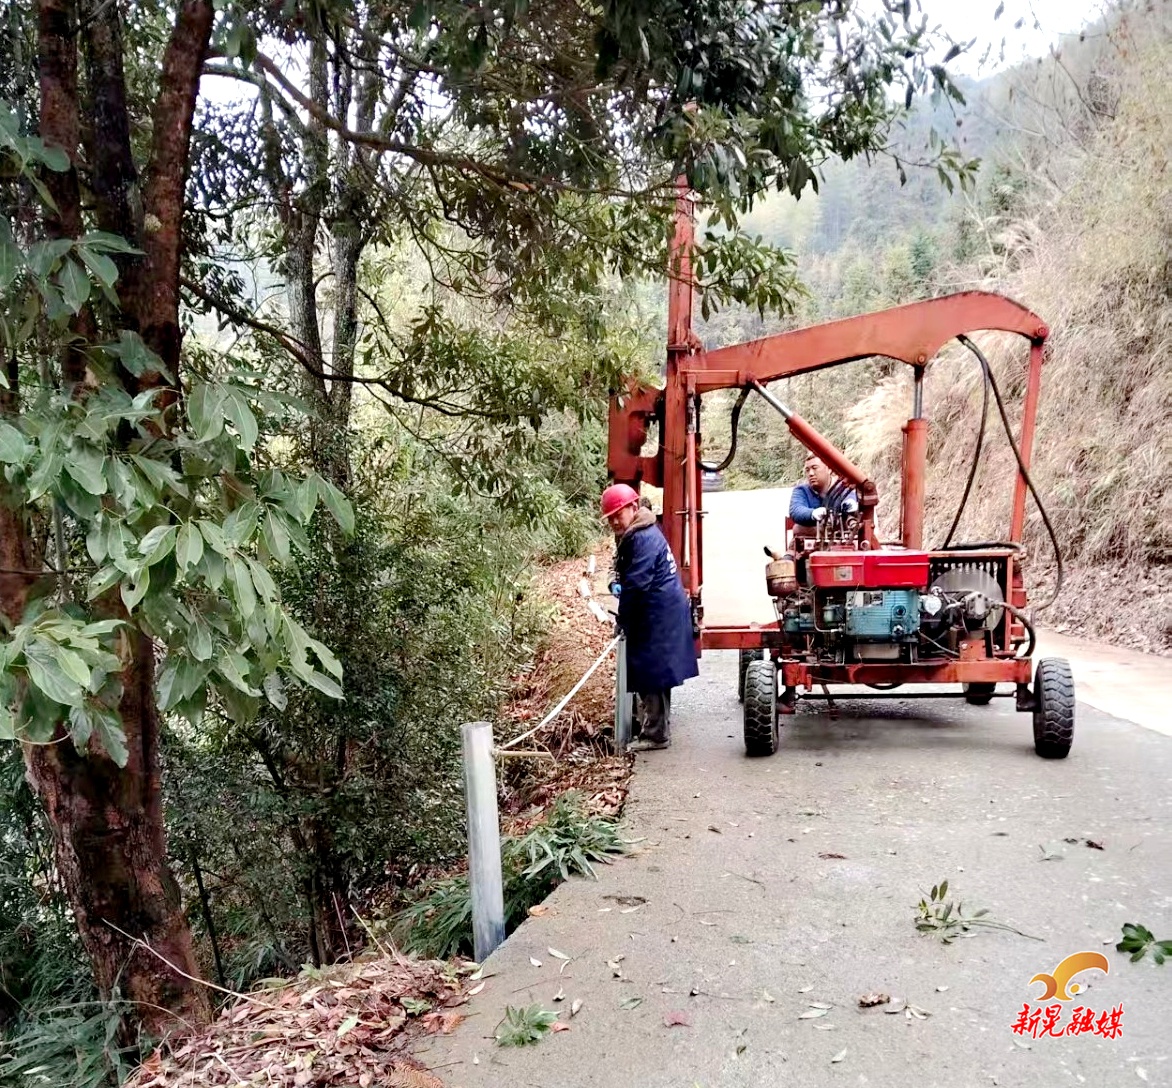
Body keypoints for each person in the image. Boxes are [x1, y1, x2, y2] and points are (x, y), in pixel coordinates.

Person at [601, 484, 699, 752]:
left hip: (658, 612)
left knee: (651, 671)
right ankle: (653, 725)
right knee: (656, 670)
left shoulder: (641, 537)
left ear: (633, 508)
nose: (613, 521)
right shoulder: (639, 531)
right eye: (609, 517)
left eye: (617, 514)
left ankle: (655, 735)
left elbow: (636, 586)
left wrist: (624, 620)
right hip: (661, 609)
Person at [789, 452, 857, 527]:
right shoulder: (801, 490)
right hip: (812, 535)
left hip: (842, 535)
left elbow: (849, 496)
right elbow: (796, 510)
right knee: (798, 528)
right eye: (807, 470)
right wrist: (813, 513)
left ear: (829, 469)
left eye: (815, 468)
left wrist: (850, 503)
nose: (811, 473)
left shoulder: (842, 488)